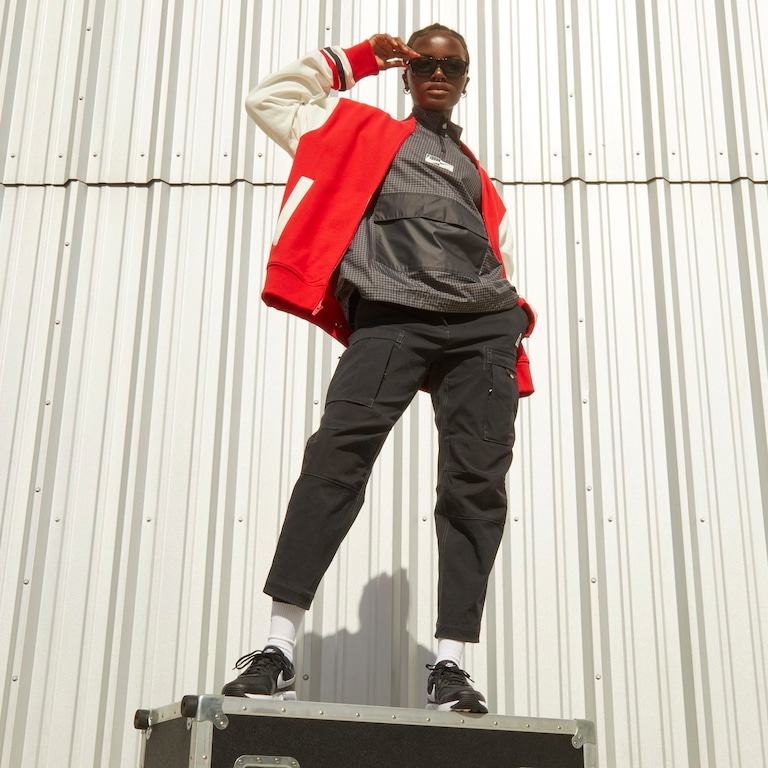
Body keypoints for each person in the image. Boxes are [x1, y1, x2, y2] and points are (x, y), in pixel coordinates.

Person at [222, 24, 536, 714]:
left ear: (466, 79)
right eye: (424, 63)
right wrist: (360, 58)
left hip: (482, 329)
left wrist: (510, 321)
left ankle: (451, 665)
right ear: (407, 73)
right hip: (392, 317)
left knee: (475, 484)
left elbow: (500, 257)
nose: (437, 73)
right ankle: (276, 648)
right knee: (336, 457)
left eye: (451, 66)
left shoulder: (479, 176)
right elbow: (268, 99)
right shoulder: (356, 131)